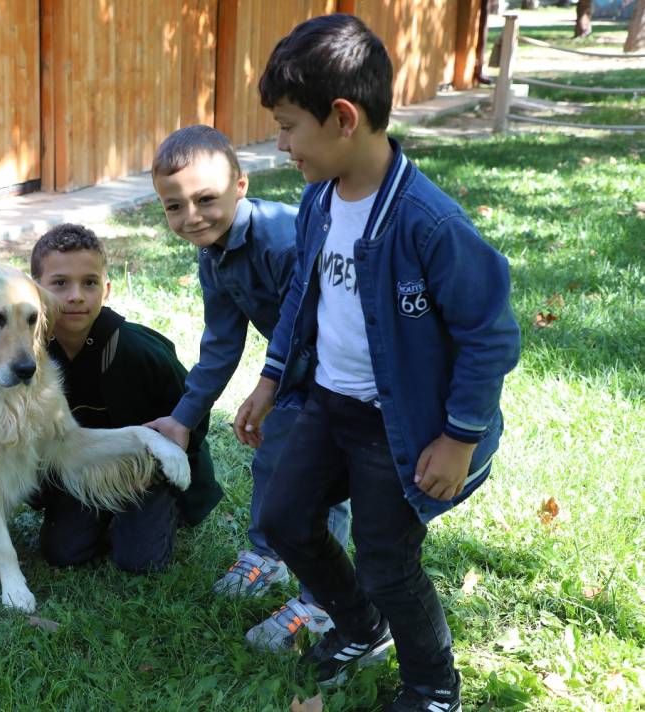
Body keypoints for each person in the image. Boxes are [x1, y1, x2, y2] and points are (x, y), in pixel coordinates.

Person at [236, 15, 521, 711]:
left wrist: (459, 438)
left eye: (287, 126)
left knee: (388, 563)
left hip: (401, 428)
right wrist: (273, 378)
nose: (280, 145)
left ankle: (433, 687)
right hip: (330, 404)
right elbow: (304, 293)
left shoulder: (430, 224)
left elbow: (491, 334)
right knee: (284, 518)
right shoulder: (318, 202)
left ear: (342, 118)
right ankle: (361, 627)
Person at [145, 124, 351, 631]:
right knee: (272, 463)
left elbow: (308, 325)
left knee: (320, 479)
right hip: (299, 375)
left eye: (205, 199)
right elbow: (221, 343)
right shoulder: (212, 251)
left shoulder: (282, 243)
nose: (190, 217)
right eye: (174, 206)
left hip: (343, 374)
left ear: (241, 186)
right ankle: (268, 554)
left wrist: (269, 387)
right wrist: (182, 418)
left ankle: (324, 602)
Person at [29, 223, 223, 574]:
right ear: (35, 290)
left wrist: (164, 465)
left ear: (106, 289)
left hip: (144, 470)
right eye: (60, 283)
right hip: (81, 469)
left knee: (140, 561)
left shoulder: (139, 350)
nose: (75, 296)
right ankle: (97, 513)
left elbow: (191, 411)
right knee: (63, 552)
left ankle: (154, 511)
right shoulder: (29, 354)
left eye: (89, 283)